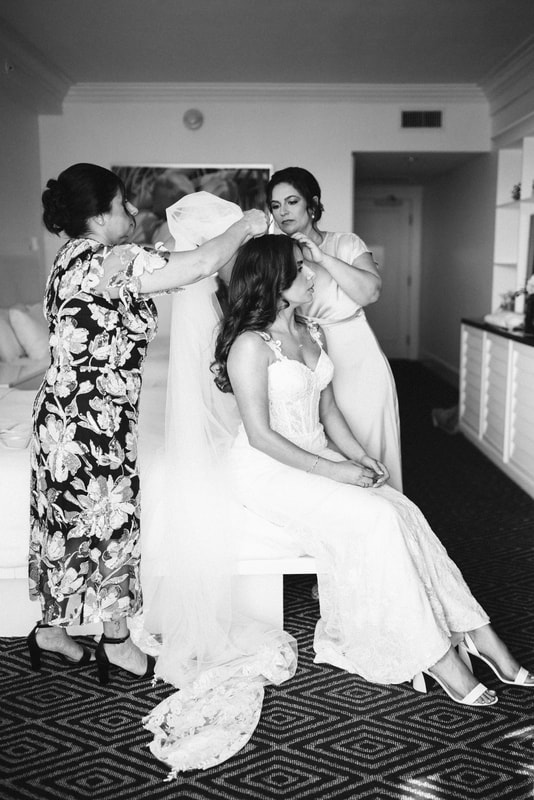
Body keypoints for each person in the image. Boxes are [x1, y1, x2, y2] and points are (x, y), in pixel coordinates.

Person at [211, 233, 534, 707]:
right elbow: (261, 436)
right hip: (268, 470)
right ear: (273, 280)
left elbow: (330, 413)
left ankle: (478, 633)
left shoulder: (311, 331)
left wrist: (359, 457)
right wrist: (335, 472)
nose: (311, 274)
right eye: (300, 268)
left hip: (315, 451)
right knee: (378, 518)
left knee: (400, 507)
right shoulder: (249, 345)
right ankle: (438, 656)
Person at [27, 163, 267, 684]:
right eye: (122, 205)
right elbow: (202, 261)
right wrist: (247, 224)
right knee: (113, 524)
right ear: (96, 216)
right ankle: (116, 642)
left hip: (59, 417)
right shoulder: (110, 259)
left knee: (61, 522)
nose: (133, 212)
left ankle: (51, 628)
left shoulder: (66, 262)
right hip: (94, 422)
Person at [267, 167, 403, 492]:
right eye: (275, 205)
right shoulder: (275, 252)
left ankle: (385, 515)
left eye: (291, 201)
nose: (283, 211)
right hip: (304, 352)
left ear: (312, 204)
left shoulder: (345, 243)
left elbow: (370, 292)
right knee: (319, 438)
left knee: (368, 437)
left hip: (355, 353)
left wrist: (322, 259)